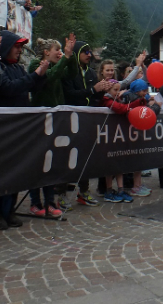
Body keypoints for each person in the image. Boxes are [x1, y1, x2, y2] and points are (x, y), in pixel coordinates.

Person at [0, 30, 49, 229]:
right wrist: (35, 75)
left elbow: (31, 87)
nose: (19, 50)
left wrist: (41, 76)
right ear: (6, 47)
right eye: (16, 46)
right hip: (1, 128)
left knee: (15, 171)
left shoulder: (18, 68)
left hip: (19, 128)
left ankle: (9, 210)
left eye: (21, 47)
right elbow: (9, 88)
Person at [27, 35, 77, 217]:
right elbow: (50, 77)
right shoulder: (35, 64)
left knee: (51, 162)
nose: (60, 53)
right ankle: (35, 202)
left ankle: (49, 202)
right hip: (39, 120)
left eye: (61, 50)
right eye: (58, 50)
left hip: (55, 119)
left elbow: (71, 74)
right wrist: (66, 58)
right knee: (37, 163)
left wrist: (70, 56)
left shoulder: (58, 64)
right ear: (46, 52)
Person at [62, 40, 111, 206]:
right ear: (77, 53)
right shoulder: (69, 72)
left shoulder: (91, 73)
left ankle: (83, 192)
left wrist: (102, 91)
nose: (89, 55)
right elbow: (69, 94)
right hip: (70, 120)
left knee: (85, 158)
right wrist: (93, 90)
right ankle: (61, 194)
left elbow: (94, 97)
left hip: (87, 120)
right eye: (85, 52)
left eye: (90, 51)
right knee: (67, 158)